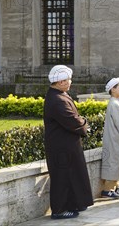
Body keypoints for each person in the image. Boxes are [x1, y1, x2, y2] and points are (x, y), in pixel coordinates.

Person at [43, 65, 93, 220]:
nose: (70, 82)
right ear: (60, 82)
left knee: (72, 176)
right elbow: (73, 121)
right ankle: (59, 210)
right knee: (62, 177)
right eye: (67, 80)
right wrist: (84, 123)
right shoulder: (57, 100)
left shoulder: (59, 95)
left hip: (67, 145)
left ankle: (74, 204)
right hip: (61, 147)